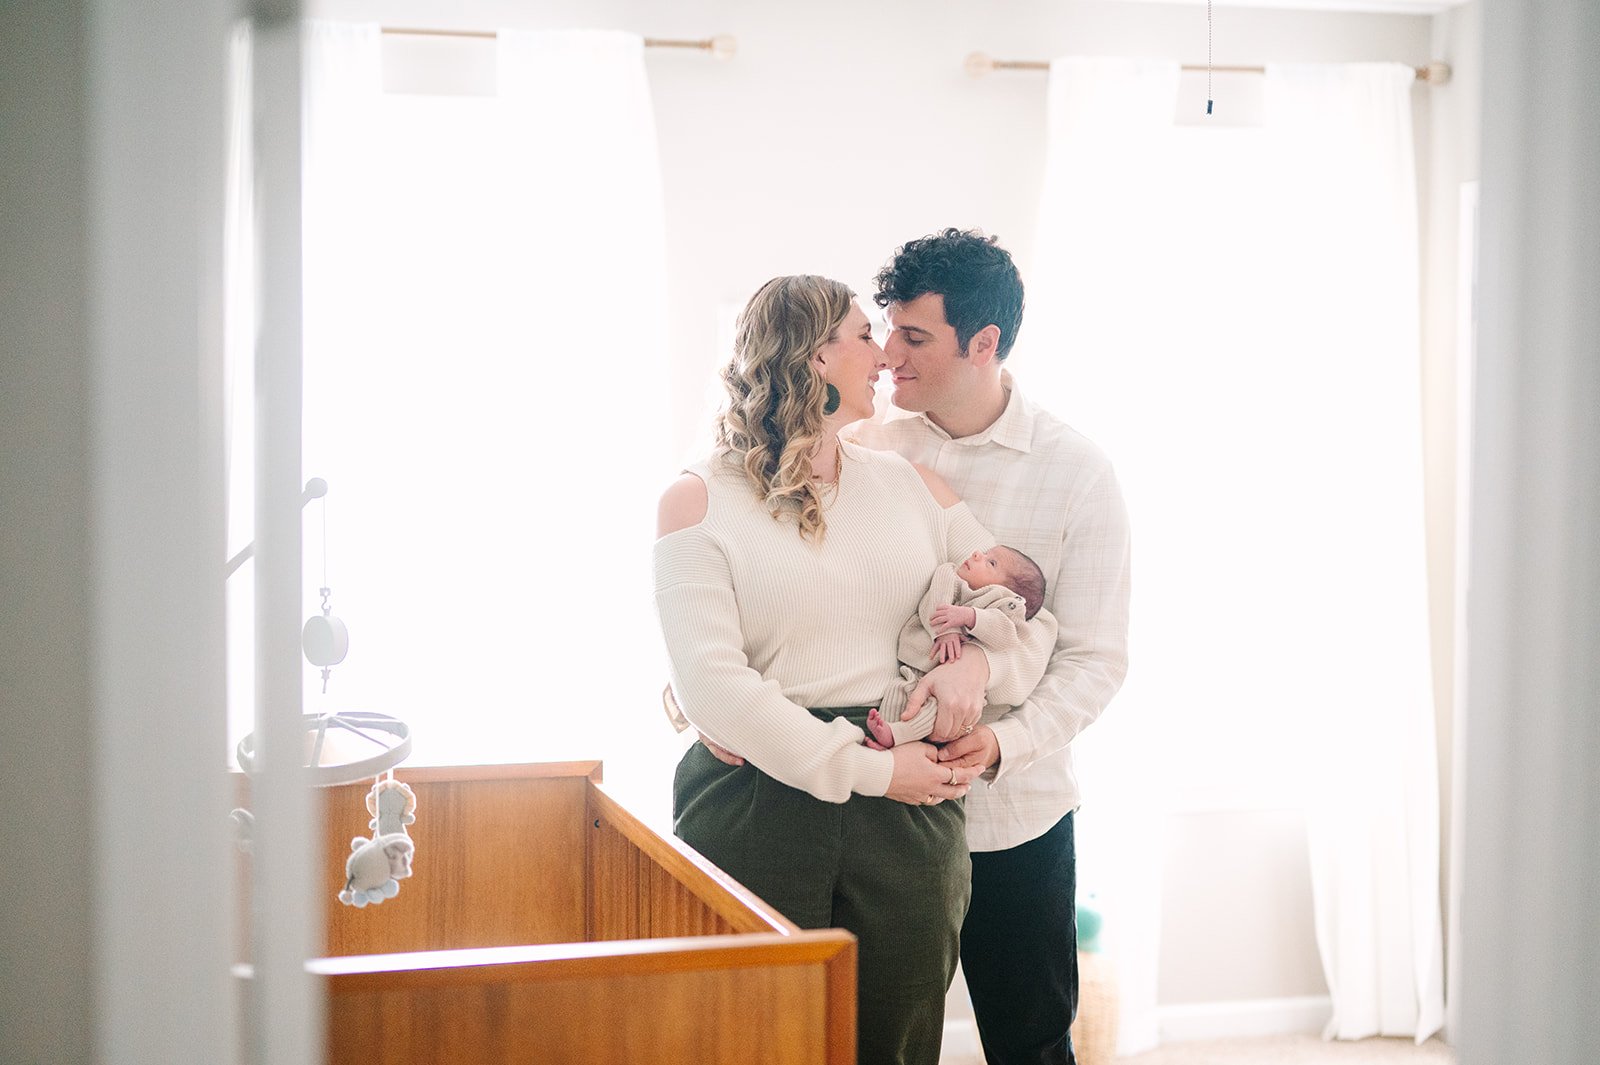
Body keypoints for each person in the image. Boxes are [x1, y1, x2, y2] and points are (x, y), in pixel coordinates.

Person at [652, 274, 1044, 1065]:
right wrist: (874, 771)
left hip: (909, 813)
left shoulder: (914, 487)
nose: (886, 354)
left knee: (895, 1044)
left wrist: (974, 665)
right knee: (752, 1042)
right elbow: (713, 684)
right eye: (865, 335)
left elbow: (1025, 614)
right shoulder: (696, 500)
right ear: (812, 356)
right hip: (757, 799)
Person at [854, 228, 1132, 1065]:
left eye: (914, 336)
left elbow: (1096, 658)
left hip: (1017, 820)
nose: (887, 355)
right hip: (884, 811)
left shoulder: (1078, 473)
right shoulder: (864, 445)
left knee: (1031, 1044)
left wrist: (1003, 742)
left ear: (983, 343)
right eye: (888, 329)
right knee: (878, 1044)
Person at [865, 545, 1058, 750]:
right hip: (919, 666)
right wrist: (947, 630)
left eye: (991, 563)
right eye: (985, 553)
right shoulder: (950, 576)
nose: (977, 554)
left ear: (1008, 590)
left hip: (961, 689)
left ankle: (897, 737)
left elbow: (1008, 635)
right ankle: (890, 740)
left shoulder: (1004, 603)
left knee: (938, 711)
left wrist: (972, 617)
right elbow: (935, 602)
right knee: (899, 694)